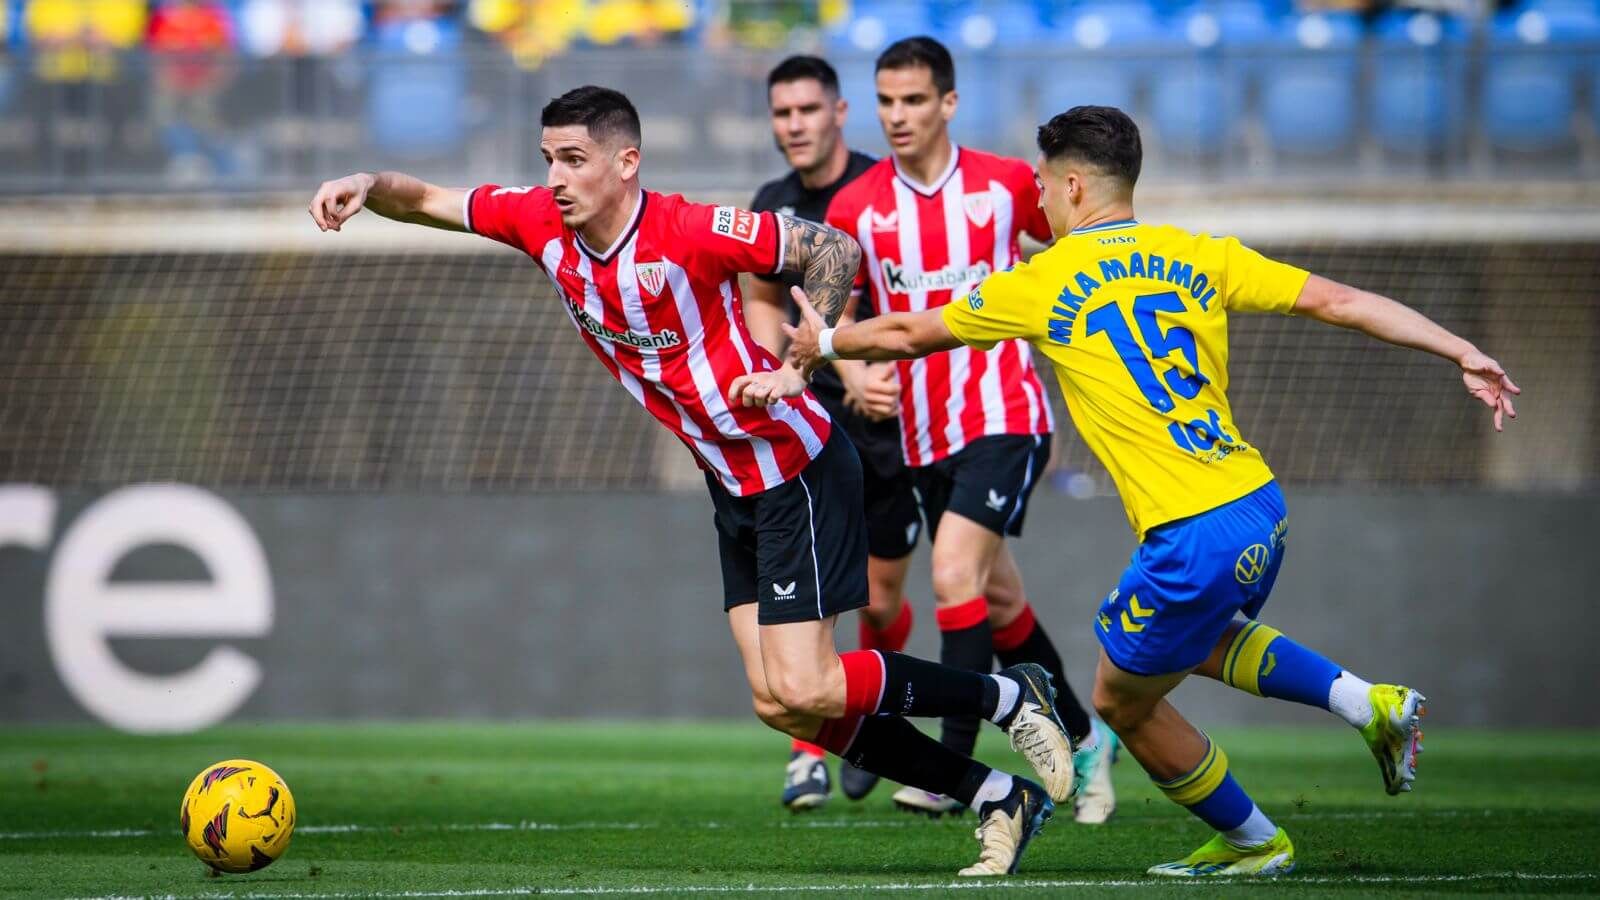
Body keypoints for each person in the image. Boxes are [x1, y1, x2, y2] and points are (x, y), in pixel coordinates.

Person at [308, 85, 1076, 877]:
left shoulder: (686, 229)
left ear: (627, 161)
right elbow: (431, 198)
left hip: (794, 469)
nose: (557, 178)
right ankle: (995, 794)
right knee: (780, 703)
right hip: (731, 484)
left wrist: (800, 360)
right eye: (549, 161)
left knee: (808, 682)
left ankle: (1008, 698)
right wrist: (368, 188)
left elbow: (831, 248)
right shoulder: (540, 222)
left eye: (574, 160)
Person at [744, 104, 1519, 877]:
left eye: (1044, 186)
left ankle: (1256, 842)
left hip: (1190, 529)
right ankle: (1365, 703)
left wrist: (828, 342)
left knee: (1119, 700)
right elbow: (1338, 301)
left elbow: (915, 333)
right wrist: (1458, 349)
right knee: (1200, 640)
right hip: (1257, 503)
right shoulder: (1198, 253)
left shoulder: (1046, 279)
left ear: (1074, 185)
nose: (1039, 202)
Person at [821, 36, 1116, 823]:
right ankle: (1088, 741)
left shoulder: (1007, 186)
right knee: (996, 596)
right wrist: (853, 372)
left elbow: (1090, 250)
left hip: (1003, 413)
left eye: (914, 100)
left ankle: (950, 769)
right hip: (921, 431)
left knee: (953, 573)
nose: (898, 116)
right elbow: (841, 316)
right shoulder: (857, 207)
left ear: (949, 103)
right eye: (886, 102)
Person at [745, 54, 917, 812]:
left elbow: (908, 301)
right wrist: (805, 366)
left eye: (808, 110)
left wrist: (854, 362)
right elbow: (756, 299)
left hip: (883, 422)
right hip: (802, 421)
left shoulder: (881, 193)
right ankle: (807, 751)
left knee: (878, 600)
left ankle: (876, 717)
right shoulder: (771, 203)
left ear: (840, 113)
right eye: (783, 113)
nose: (795, 126)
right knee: (813, 600)